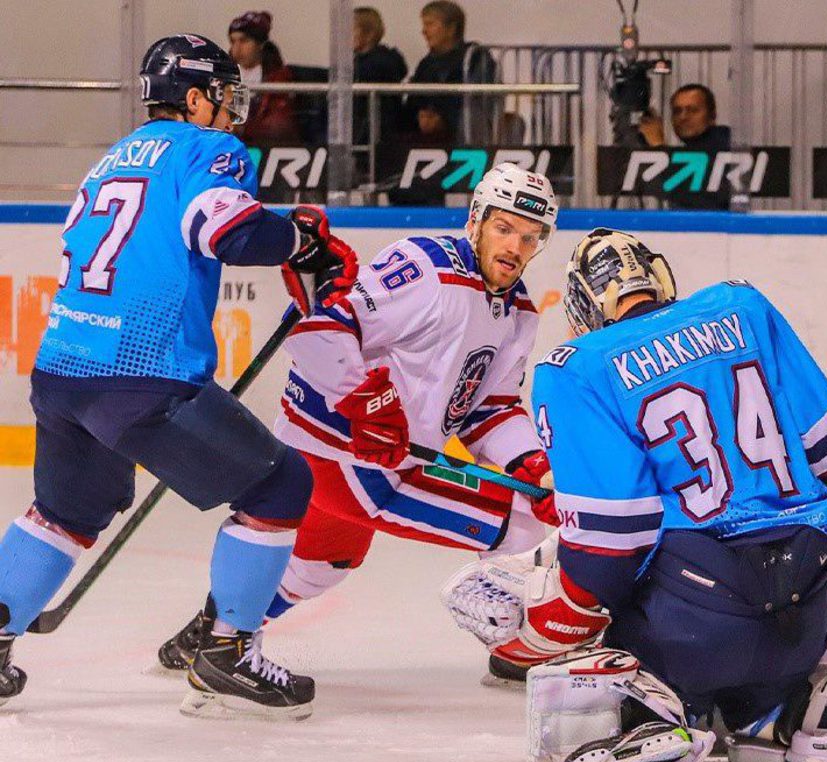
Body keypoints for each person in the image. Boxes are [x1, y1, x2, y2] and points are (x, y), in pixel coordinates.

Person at [445, 230, 827, 762]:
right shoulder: (743, 306)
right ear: (659, 276)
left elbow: (608, 552)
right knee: (765, 652)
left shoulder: (575, 367)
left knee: (593, 610)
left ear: (580, 305)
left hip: (689, 631)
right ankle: (793, 711)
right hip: (809, 611)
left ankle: (650, 713)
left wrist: (557, 618)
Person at [0, 34, 357, 721]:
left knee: (64, 513)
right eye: (222, 98)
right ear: (194, 98)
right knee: (282, 484)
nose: (230, 113)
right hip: (143, 375)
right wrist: (302, 239)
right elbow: (230, 234)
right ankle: (227, 652)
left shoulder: (109, 160)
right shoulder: (206, 149)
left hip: (62, 370)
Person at [157, 163, 561, 688]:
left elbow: (488, 408)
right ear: (477, 220)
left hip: (389, 463)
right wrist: (364, 402)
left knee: (326, 562)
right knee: (525, 521)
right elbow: (321, 325)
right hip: (342, 459)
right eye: (504, 228)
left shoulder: (520, 310)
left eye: (529, 238)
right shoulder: (425, 266)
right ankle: (524, 651)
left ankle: (217, 631)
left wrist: (528, 461)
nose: (514, 246)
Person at [404, 1, 497, 142]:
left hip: (465, 140)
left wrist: (444, 121)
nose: (424, 31)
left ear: (451, 28)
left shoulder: (476, 58)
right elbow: (414, 101)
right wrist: (420, 116)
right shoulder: (426, 63)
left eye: (430, 24)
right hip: (426, 140)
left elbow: (480, 104)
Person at [638, 83, 731, 210]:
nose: (683, 117)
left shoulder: (725, 146)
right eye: (677, 111)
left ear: (712, 116)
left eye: (693, 110)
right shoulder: (691, 149)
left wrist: (658, 147)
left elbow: (696, 197)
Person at [228, 11, 301, 145]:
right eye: (233, 42)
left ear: (260, 44)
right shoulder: (225, 75)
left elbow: (278, 125)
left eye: (244, 41)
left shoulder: (279, 76)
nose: (236, 49)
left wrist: (243, 129)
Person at [353, 7, 408, 147]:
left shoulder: (381, 63)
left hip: (379, 133)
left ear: (369, 34)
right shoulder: (358, 61)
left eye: (351, 29)